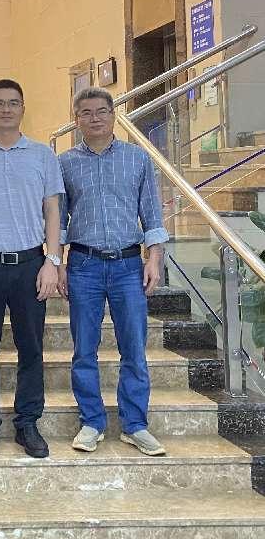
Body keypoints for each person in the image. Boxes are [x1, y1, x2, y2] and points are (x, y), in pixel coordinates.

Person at [58, 86, 169, 456]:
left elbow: (152, 214)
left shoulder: (137, 159)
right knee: (83, 349)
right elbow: (58, 220)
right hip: (83, 265)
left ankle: (135, 425)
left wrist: (154, 259)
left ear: (114, 115)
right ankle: (91, 422)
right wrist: (57, 262)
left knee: (134, 348)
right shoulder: (65, 163)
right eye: (86, 113)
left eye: (101, 111)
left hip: (128, 265)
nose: (95, 118)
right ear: (76, 120)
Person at [0, 80, 64, 459]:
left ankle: (27, 422)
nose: (6, 109)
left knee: (31, 347)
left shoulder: (42, 155)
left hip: (30, 264)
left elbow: (53, 211)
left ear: (22, 108)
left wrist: (52, 261)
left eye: (13, 103)